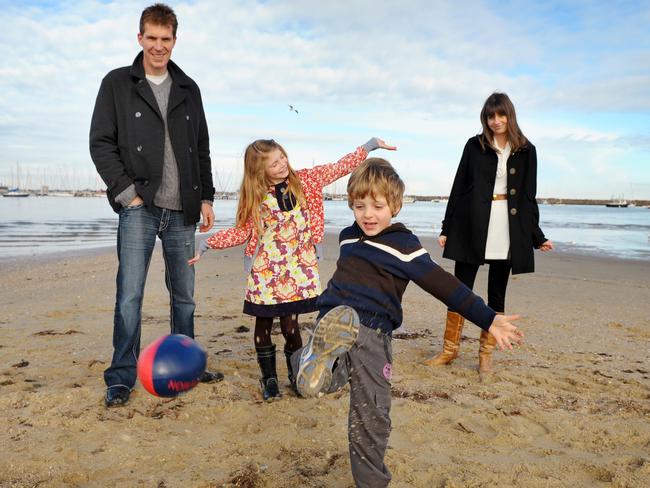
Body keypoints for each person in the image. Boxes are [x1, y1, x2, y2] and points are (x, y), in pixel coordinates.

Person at [291, 158, 524, 488]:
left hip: (339, 323)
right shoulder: (370, 240)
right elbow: (442, 285)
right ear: (351, 204)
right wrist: (488, 318)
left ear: (395, 206)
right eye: (359, 206)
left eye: (377, 206)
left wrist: (488, 319)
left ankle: (307, 361)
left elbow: (443, 286)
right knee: (371, 413)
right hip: (363, 331)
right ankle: (371, 482)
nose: (368, 214)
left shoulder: (378, 242)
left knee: (333, 378)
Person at [189, 138, 396, 400]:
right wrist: (207, 244)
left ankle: (296, 373)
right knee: (263, 324)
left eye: (282, 157)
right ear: (259, 170)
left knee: (291, 326)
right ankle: (269, 380)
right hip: (266, 270)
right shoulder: (255, 195)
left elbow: (339, 167)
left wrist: (369, 147)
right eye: (273, 163)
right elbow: (242, 231)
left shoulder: (307, 180)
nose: (281, 164)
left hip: (298, 268)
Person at [89, 3, 222, 408]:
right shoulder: (117, 83)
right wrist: (126, 193)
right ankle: (121, 375)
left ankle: (185, 366)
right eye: (152, 38)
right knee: (129, 295)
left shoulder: (189, 89)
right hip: (139, 209)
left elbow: (201, 146)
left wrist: (206, 196)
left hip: (182, 211)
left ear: (175, 41)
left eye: (166, 39)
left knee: (185, 296)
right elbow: (101, 143)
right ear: (140, 38)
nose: (159, 46)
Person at [424, 92, 553, 374]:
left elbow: (529, 197)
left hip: (507, 228)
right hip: (472, 225)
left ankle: (485, 354)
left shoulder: (527, 150)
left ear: (510, 115)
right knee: (459, 289)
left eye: (501, 115)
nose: (496, 121)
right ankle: (449, 350)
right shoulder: (474, 145)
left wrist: (536, 235)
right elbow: (459, 187)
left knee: (497, 293)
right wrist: (448, 227)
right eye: (490, 116)